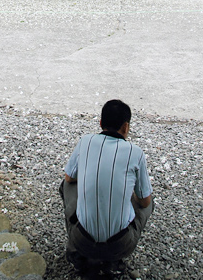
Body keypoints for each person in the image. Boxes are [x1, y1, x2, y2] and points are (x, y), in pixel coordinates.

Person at [60, 99, 154, 278]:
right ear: (126, 127)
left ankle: (76, 254)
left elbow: (69, 177)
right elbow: (145, 201)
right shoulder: (135, 153)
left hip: (83, 241)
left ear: (101, 123)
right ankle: (113, 262)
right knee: (147, 200)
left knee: (66, 185)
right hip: (120, 245)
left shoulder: (85, 141)